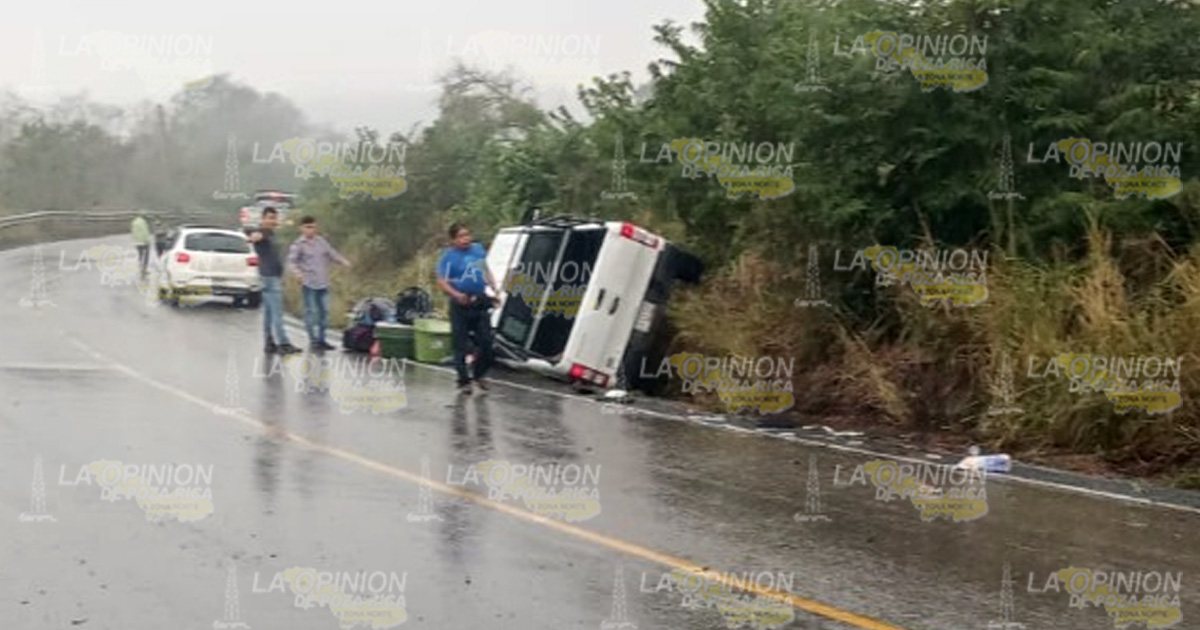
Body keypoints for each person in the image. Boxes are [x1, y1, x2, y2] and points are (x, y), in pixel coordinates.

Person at [436, 222, 500, 395]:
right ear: (453, 240)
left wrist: (493, 287)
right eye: (461, 236)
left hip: (479, 300)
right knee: (460, 344)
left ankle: (479, 374)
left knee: (487, 342)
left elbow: (485, 269)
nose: (465, 239)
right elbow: (442, 281)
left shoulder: (478, 250)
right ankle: (463, 380)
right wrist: (456, 295)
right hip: (460, 303)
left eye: (467, 235)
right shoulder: (449, 257)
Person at [287, 216, 351, 352]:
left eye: (313, 227)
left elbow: (331, 253)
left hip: (323, 282)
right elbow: (292, 262)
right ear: (302, 228)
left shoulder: (321, 242)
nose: (311, 230)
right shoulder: (298, 245)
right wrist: (298, 274)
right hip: (308, 283)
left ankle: (322, 339)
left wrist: (343, 262)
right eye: (308, 227)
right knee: (311, 312)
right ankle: (313, 340)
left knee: (325, 312)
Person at [246, 207, 301, 355]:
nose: (273, 221)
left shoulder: (271, 234)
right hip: (269, 277)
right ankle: (283, 343)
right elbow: (254, 236)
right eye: (270, 218)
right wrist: (253, 237)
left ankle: (269, 342)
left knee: (269, 313)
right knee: (277, 312)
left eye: (274, 218)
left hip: (271, 276)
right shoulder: (263, 233)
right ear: (263, 219)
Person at [130, 213, 151, 277]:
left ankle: (140, 267)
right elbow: (145, 232)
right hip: (144, 242)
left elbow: (133, 232)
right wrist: (147, 240)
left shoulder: (134, 222)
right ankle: (144, 269)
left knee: (140, 255)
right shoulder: (143, 222)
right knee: (146, 256)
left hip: (137, 242)